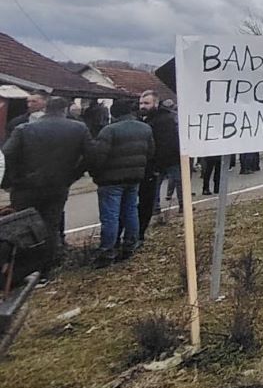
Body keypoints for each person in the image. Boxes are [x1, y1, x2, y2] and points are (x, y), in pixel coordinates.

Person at [1, 96, 88, 267]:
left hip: (25, 186)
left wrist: (9, 181)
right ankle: (45, 268)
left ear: (45, 109)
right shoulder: (79, 128)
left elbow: (6, 156)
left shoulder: (23, 129)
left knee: (22, 227)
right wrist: (73, 175)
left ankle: (22, 268)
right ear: (65, 110)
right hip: (58, 185)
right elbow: (91, 155)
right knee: (50, 226)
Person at [87, 98, 153, 265]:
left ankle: (107, 251)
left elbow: (99, 157)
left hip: (111, 180)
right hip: (135, 177)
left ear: (114, 113)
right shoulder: (145, 128)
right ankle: (130, 245)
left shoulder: (109, 131)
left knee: (111, 216)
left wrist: (96, 175)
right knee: (131, 211)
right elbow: (151, 152)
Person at [137, 90, 180, 238]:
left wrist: (157, 160)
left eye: (146, 103)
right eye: (141, 103)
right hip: (155, 160)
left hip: (167, 158)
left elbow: (168, 142)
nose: (143, 106)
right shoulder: (144, 120)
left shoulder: (164, 119)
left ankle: (183, 207)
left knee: (179, 182)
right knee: (153, 188)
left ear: (155, 103)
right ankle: (156, 212)